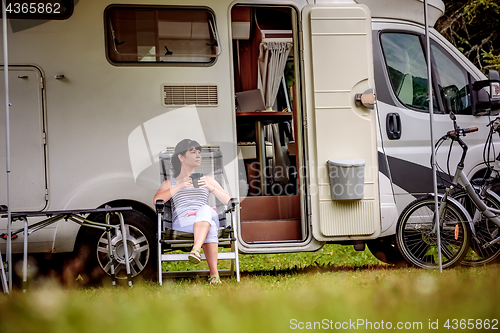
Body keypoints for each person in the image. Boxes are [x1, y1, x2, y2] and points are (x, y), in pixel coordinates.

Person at [154, 139, 231, 284]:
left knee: (205, 209)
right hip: (184, 222)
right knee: (211, 227)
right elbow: (157, 200)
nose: (198, 155)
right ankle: (214, 275)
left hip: (207, 215)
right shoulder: (170, 183)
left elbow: (229, 200)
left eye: (199, 152)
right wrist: (180, 186)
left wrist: (211, 188)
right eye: (193, 152)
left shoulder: (207, 179)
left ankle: (195, 249)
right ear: (181, 157)